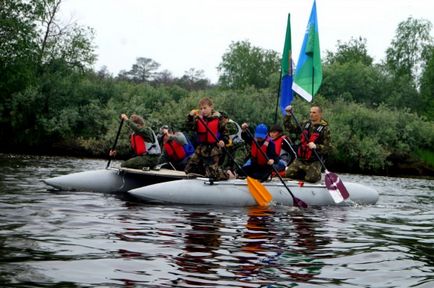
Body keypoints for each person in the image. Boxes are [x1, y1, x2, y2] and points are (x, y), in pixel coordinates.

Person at [184, 97, 231, 180]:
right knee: (189, 169)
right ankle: (203, 175)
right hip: (201, 148)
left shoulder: (219, 119)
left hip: (214, 149)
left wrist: (223, 141)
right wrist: (190, 116)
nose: (203, 110)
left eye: (205, 108)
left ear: (211, 107)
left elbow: (226, 134)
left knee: (213, 175)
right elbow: (189, 126)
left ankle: (228, 174)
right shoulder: (198, 119)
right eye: (201, 108)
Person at [283, 105, 331, 183]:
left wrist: (316, 146)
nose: (311, 114)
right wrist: (288, 115)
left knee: (311, 179)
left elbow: (328, 147)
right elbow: (290, 129)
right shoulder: (305, 123)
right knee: (288, 174)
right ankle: (303, 174)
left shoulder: (325, 129)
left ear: (320, 114)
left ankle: (314, 175)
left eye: (314, 112)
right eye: (310, 112)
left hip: (314, 160)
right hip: (301, 159)